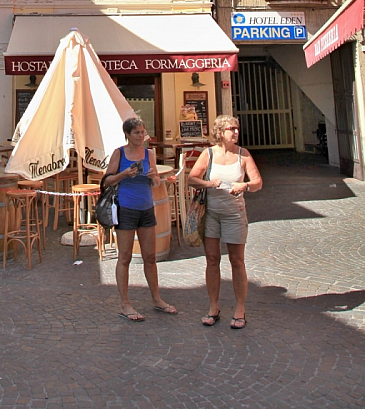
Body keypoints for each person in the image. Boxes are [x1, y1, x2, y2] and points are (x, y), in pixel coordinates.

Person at [187, 114, 262, 330]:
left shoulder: (243, 155)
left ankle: (240, 308)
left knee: (237, 261)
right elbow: (192, 178)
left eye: (237, 128)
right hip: (211, 213)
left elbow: (257, 182)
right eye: (231, 128)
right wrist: (209, 183)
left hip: (235, 214)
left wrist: (245, 186)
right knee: (212, 259)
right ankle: (213, 307)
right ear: (220, 132)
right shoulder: (208, 153)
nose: (236, 132)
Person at [103, 116, 177, 322]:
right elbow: (107, 180)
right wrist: (124, 174)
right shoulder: (119, 153)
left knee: (150, 258)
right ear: (127, 134)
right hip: (126, 208)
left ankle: (157, 299)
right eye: (136, 132)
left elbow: (155, 183)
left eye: (143, 132)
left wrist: (154, 176)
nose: (140, 136)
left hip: (146, 208)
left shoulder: (148, 154)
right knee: (125, 257)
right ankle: (125, 304)